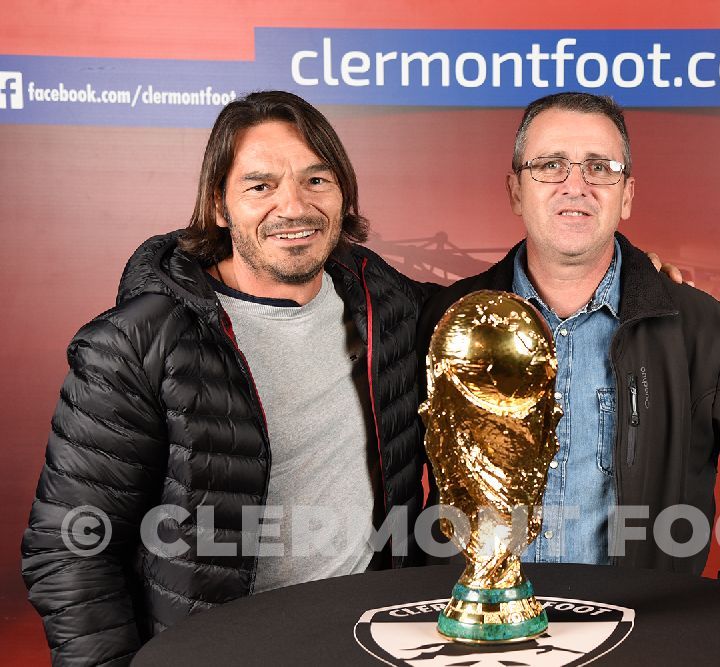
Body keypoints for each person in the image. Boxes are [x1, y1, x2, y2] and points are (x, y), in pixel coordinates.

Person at [20, 91, 435, 665]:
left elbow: (499, 303)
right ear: (219, 204)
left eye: (316, 181)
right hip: (223, 650)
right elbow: (69, 551)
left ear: (343, 193)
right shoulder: (136, 343)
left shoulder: (382, 299)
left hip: (370, 638)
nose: (294, 207)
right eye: (260, 185)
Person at [417, 92, 720, 597]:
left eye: (601, 167)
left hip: (635, 636)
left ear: (627, 194)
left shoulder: (697, 328)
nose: (577, 185)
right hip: (470, 631)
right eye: (550, 165)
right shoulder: (446, 319)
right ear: (515, 190)